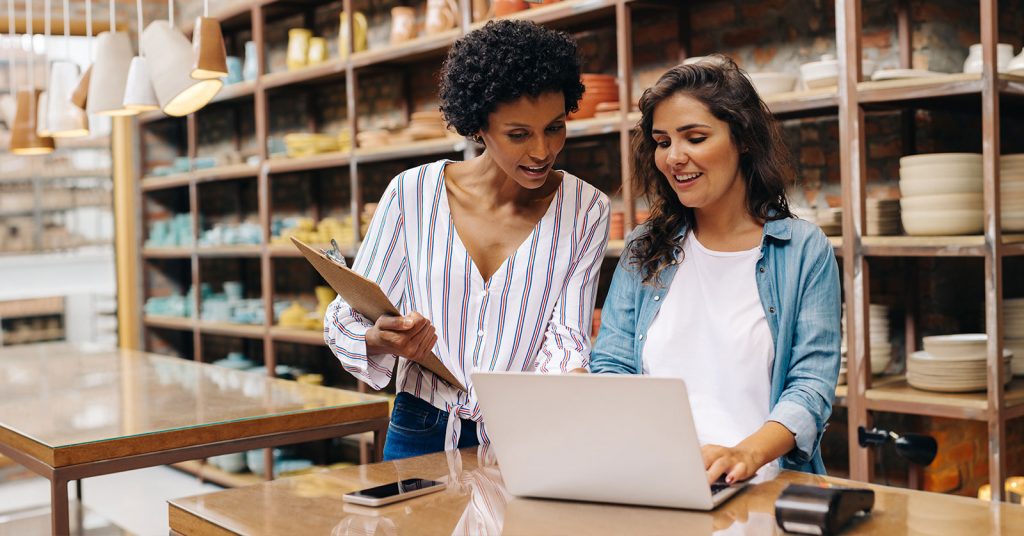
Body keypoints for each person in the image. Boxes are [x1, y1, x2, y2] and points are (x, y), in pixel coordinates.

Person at [325, 19, 609, 461]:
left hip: (527, 432)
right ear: (479, 126)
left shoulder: (586, 208)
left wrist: (579, 392)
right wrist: (385, 339)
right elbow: (348, 316)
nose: (541, 150)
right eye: (518, 134)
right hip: (421, 425)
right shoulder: (411, 194)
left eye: (554, 127)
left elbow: (566, 336)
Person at [589, 57, 841, 483]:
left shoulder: (801, 250)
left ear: (741, 138)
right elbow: (612, 365)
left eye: (695, 137)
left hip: (758, 483)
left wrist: (745, 455)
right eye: (663, 141)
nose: (674, 157)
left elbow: (811, 386)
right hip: (655, 480)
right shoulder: (645, 247)